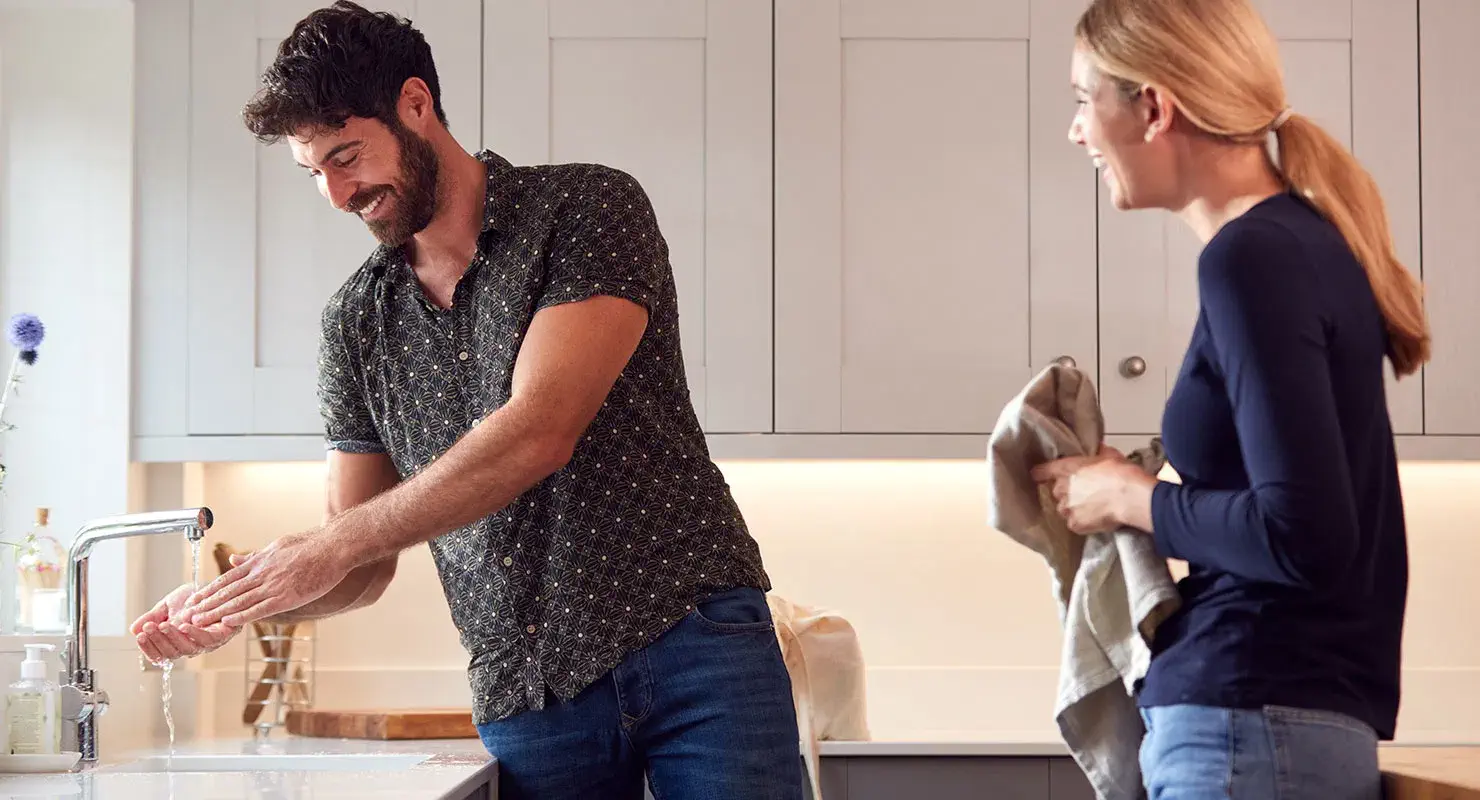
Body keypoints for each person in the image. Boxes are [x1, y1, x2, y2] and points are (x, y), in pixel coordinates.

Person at [128, 3, 805, 797]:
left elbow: (538, 433)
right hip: (528, 690)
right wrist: (235, 602)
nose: (337, 195)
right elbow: (362, 564)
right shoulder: (356, 324)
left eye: (347, 157)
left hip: (694, 642)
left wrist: (330, 545)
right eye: (313, 173)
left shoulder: (585, 210)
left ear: (416, 104)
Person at [1034, 0, 1430, 797]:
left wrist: (1132, 497)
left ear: (1153, 106)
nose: (1078, 130)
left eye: (1085, 100)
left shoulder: (1251, 258)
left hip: (1250, 718)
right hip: (1281, 720)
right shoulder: (1303, 244)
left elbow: (1304, 535)